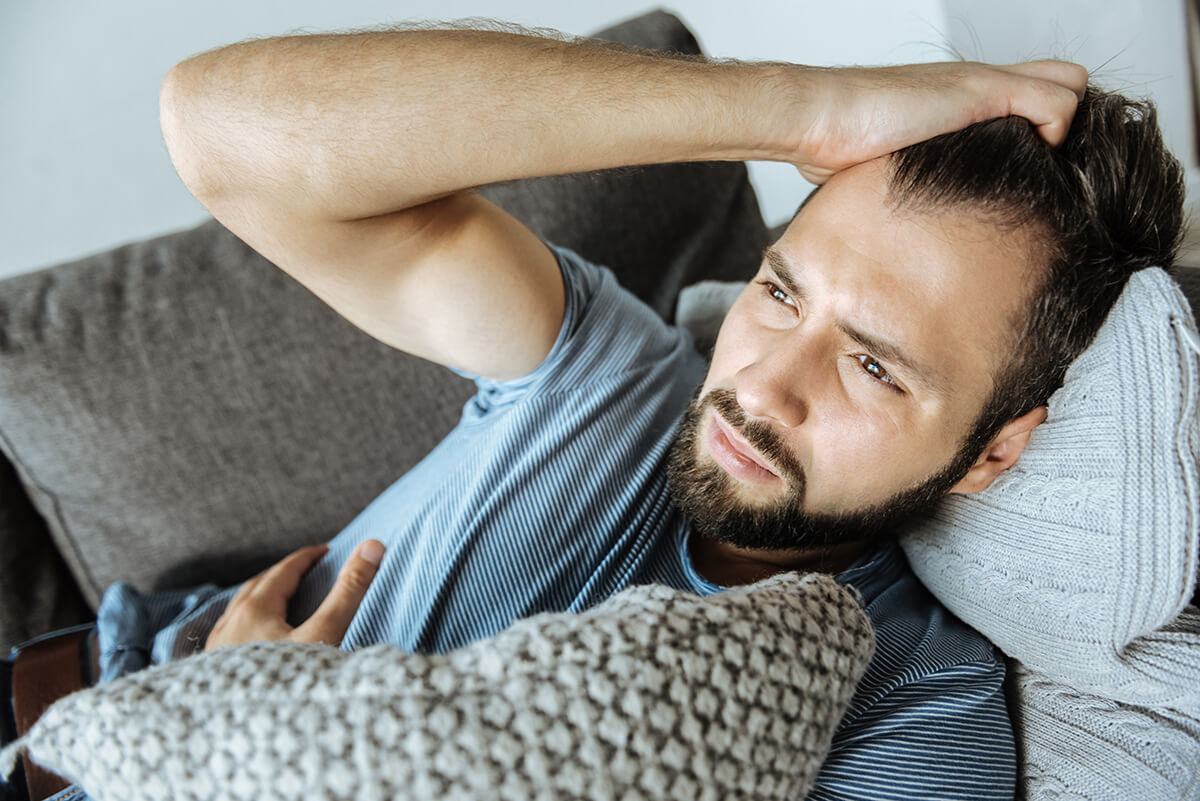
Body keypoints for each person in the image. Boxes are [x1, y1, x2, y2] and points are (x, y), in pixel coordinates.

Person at [11, 20, 1186, 801]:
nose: (764, 383)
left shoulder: (917, 719)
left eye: (875, 368)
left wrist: (232, 742)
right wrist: (805, 111)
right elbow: (218, 127)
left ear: (994, 453)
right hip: (62, 690)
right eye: (782, 290)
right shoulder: (606, 382)